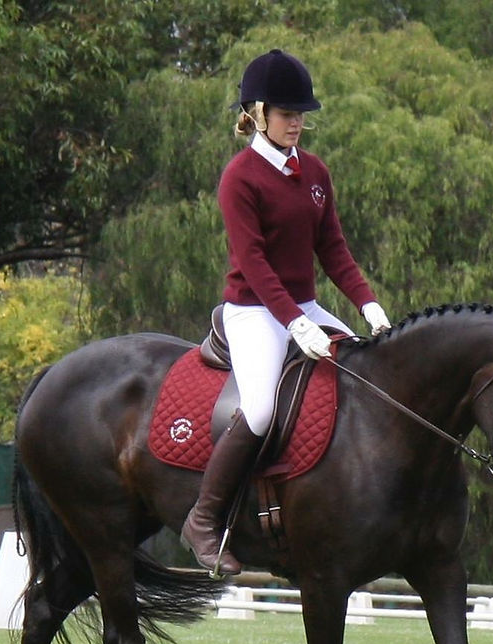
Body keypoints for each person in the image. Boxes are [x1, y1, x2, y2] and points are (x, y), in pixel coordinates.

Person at [180, 48, 391, 576]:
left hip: (304, 306)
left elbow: (333, 249)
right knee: (258, 410)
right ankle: (203, 520)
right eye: (286, 114)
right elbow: (252, 263)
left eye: (301, 114)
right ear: (258, 113)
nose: (296, 123)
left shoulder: (314, 171)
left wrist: (369, 305)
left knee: (365, 373)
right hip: (253, 311)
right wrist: (295, 323)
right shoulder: (240, 177)